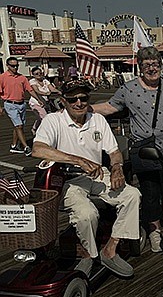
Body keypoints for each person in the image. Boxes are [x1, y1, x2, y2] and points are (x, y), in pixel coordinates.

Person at [91, 46, 163, 253]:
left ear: (161, 65)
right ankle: (154, 230)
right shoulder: (128, 88)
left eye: (155, 64)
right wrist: (83, 108)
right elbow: (109, 107)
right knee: (150, 192)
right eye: (147, 65)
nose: (152, 68)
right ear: (140, 67)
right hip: (144, 149)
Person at [32, 80, 141, 277]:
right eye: (73, 98)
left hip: (99, 174)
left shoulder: (97, 120)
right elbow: (38, 149)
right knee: (86, 214)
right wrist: (77, 160)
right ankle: (89, 255)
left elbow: (115, 151)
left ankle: (110, 249)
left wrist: (117, 167)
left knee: (133, 195)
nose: (79, 102)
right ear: (63, 101)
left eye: (83, 98)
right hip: (68, 179)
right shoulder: (53, 120)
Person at [0, 57, 45, 156]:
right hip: (10, 104)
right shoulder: (2, 77)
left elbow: (30, 90)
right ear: (7, 66)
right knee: (19, 126)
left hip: (21, 104)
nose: (15, 67)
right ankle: (26, 147)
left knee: (19, 126)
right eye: (13, 65)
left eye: (17, 65)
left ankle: (14, 145)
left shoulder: (22, 78)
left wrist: (38, 99)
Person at [29, 66, 60, 135]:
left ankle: (34, 128)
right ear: (33, 75)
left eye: (40, 73)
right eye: (36, 74)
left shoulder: (45, 80)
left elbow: (52, 89)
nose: (39, 75)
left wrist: (59, 92)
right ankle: (44, 133)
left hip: (45, 102)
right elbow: (37, 91)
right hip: (36, 102)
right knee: (45, 117)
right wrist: (46, 93)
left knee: (40, 117)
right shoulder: (32, 81)